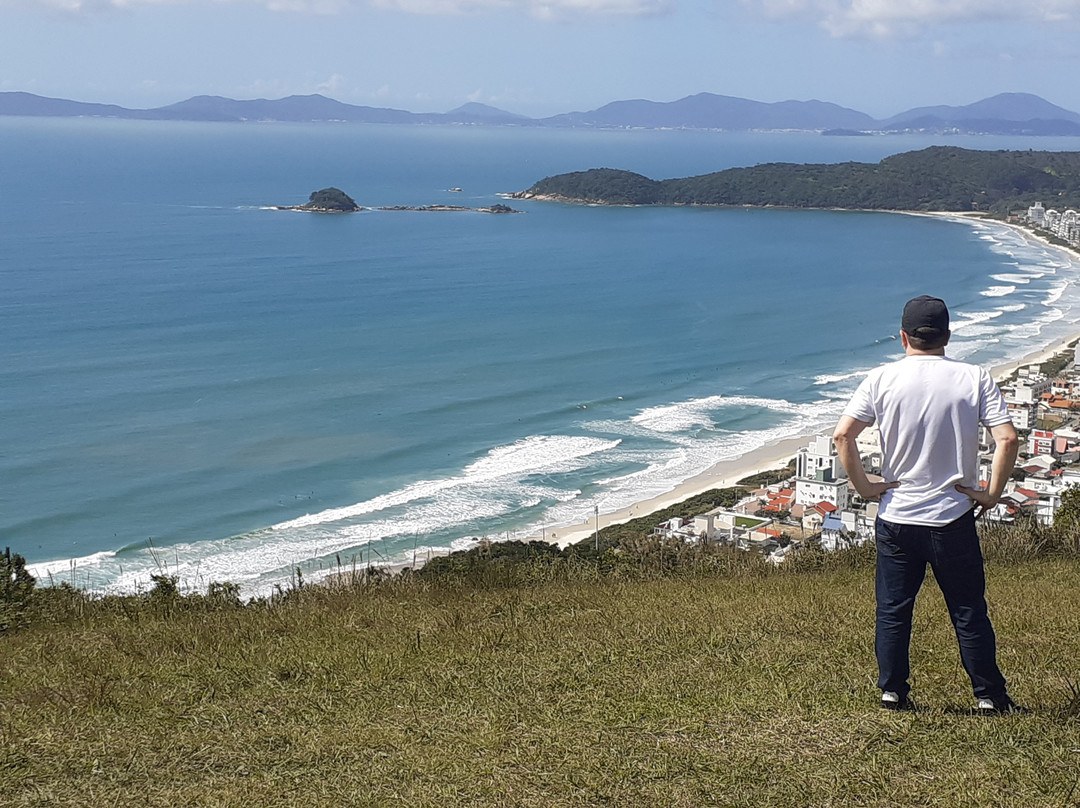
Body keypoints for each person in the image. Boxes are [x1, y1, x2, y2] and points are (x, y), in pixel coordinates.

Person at [832, 295, 1020, 714]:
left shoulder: (880, 378)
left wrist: (864, 487)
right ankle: (990, 697)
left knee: (894, 610)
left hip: (897, 516)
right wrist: (990, 492)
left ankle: (892, 692)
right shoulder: (974, 377)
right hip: (952, 516)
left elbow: (843, 435)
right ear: (947, 337)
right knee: (968, 610)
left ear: (903, 337)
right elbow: (1007, 438)